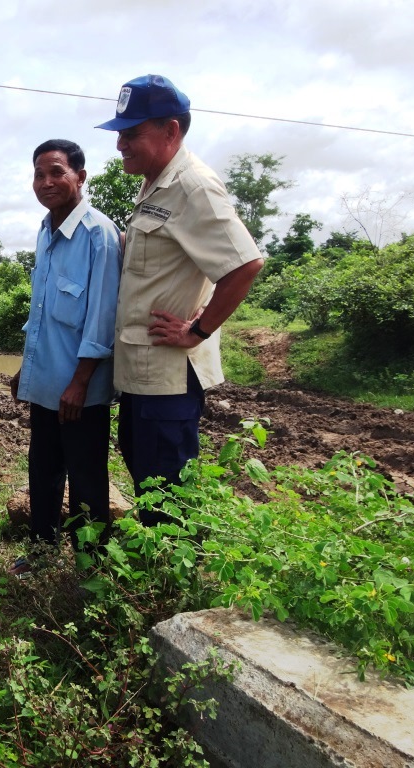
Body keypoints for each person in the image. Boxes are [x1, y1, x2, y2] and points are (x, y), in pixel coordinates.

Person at [95, 74, 263, 523]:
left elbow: (244, 264)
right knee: (142, 463)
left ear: (170, 130)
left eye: (132, 134)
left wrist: (199, 330)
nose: (121, 145)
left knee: (166, 481)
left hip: (169, 373)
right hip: (142, 368)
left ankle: (172, 575)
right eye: (120, 134)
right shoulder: (156, 183)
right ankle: (156, 566)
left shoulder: (193, 186)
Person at [8, 139, 121, 575]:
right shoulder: (45, 230)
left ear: (80, 176)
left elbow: (101, 316)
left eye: (57, 171)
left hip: (81, 390)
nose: (47, 181)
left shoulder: (98, 234)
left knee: (87, 476)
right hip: (47, 380)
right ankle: (41, 550)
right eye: (39, 174)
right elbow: (41, 311)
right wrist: (25, 366)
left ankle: (90, 564)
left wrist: (80, 381)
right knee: (44, 467)